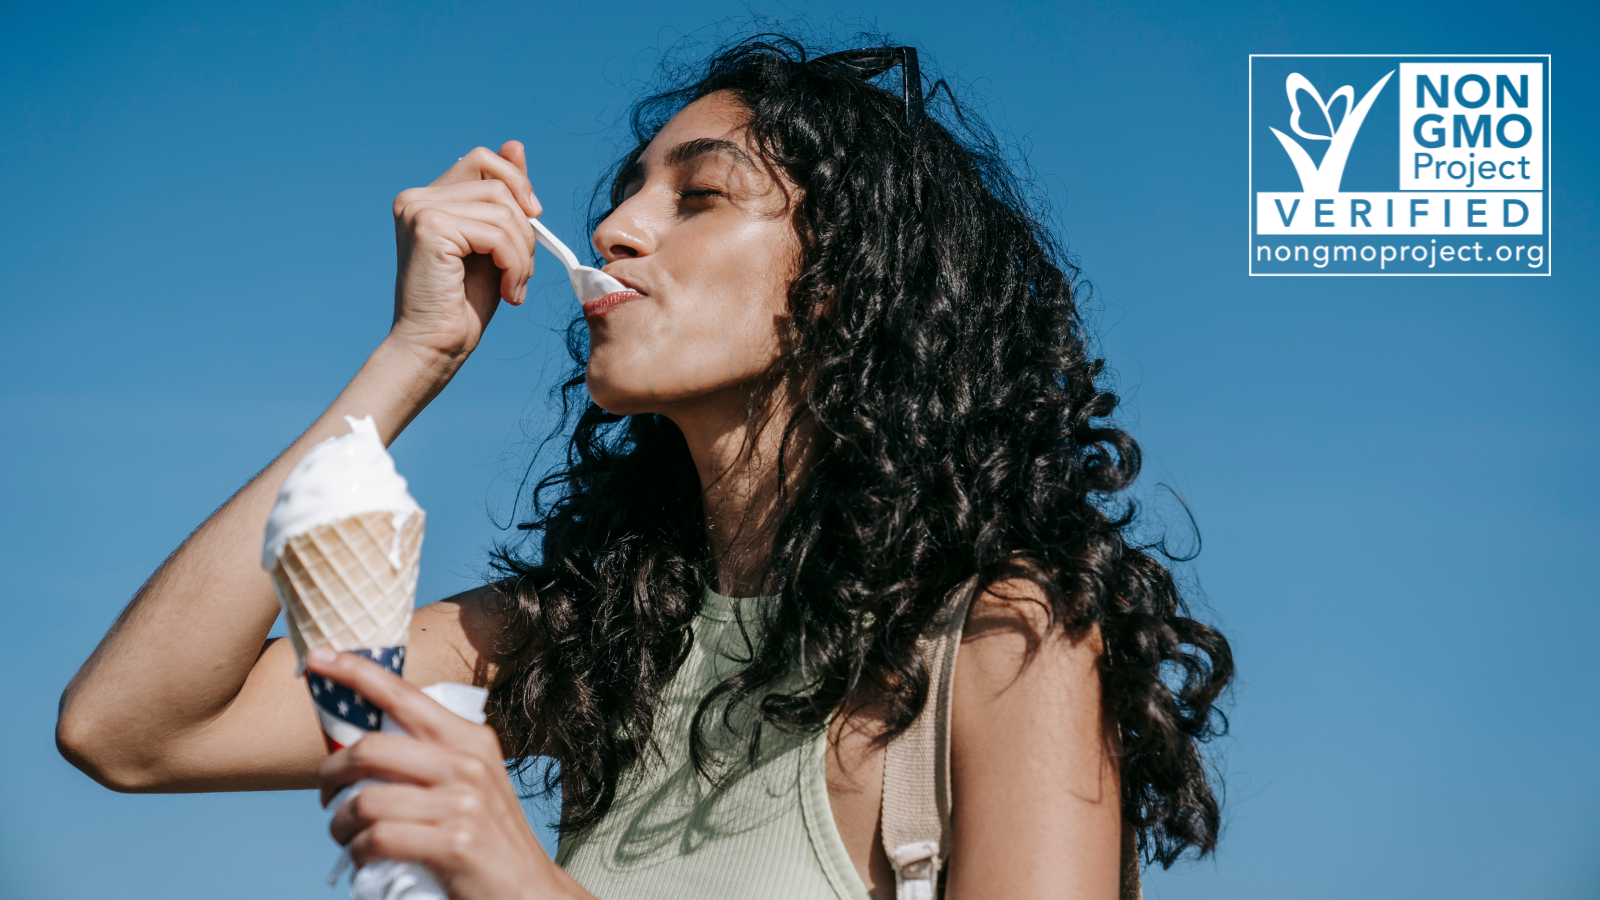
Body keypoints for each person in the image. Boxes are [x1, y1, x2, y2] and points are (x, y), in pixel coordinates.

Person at [56, 35, 1232, 900]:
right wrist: (412, 355)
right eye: (626, 195)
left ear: (842, 286)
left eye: (698, 196)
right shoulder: (592, 637)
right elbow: (135, 728)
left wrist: (524, 885)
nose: (615, 227)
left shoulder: (1002, 641)